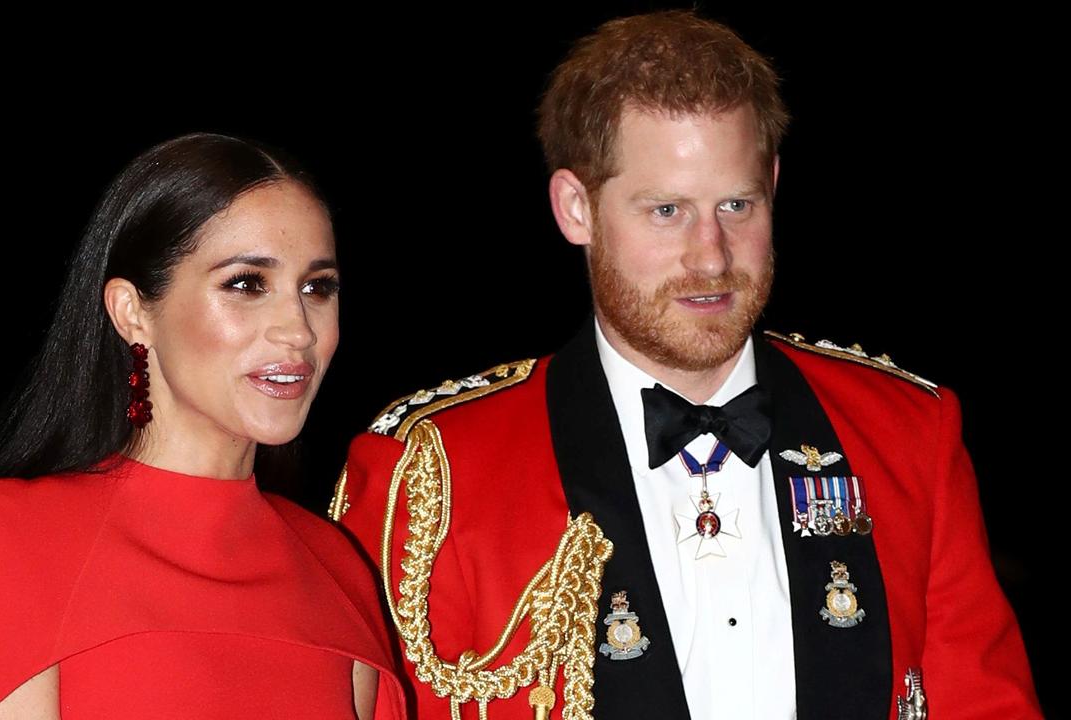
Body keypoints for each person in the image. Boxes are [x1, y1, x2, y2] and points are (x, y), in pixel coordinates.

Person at [331, 12, 1040, 720]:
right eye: (667, 210)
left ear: (773, 184)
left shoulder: (907, 431)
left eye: (736, 204)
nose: (711, 256)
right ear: (576, 208)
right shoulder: (432, 473)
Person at [0, 133, 407, 719]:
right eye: (247, 283)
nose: (298, 329)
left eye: (317, 288)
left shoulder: (337, 566)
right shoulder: (8, 541)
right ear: (132, 311)